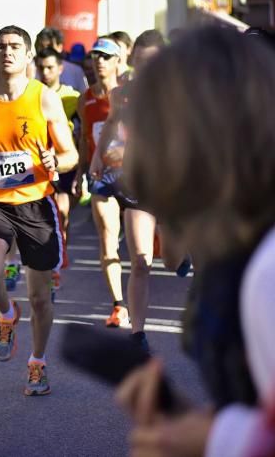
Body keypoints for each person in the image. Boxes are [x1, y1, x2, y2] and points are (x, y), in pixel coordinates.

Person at [115, 26, 275, 457]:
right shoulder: (244, 250)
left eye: (150, 130)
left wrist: (213, 438)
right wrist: (193, 421)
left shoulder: (267, 270)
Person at [0, 25, 78, 397]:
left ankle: (37, 363)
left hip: (37, 204)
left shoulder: (44, 98)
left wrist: (55, 161)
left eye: (15, 47)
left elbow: (71, 155)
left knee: (40, 298)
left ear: (28, 57)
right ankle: (7, 314)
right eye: (1, 46)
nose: (7, 52)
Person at [90, 29, 166, 353]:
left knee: (175, 256)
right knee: (141, 261)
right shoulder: (125, 92)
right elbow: (110, 124)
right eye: (141, 63)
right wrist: (97, 155)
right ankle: (138, 333)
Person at [77, 38, 128, 329]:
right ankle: (118, 305)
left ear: (117, 62)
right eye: (96, 56)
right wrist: (83, 171)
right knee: (109, 237)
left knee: (141, 241)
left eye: (106, 57)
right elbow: (86, 136)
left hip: (133, 173)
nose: (99, 62)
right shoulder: (86, 98)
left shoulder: (128, 94)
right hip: (102, 175)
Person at [34, 46, 80, 268]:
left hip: (63, 160)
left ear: (60, 68)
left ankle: (61, 248)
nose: (45, 73)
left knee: (62, 210)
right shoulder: (30, 95)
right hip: (37, 162)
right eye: (41, 68)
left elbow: (85, 129)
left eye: (50, 68)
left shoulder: (72, 96)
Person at [36, 27, 88, 93]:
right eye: (41, 46)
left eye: (49, 46)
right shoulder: (29, 69)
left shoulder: (76, 71)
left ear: (60, 47)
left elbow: (84, 96)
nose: (45, 50)